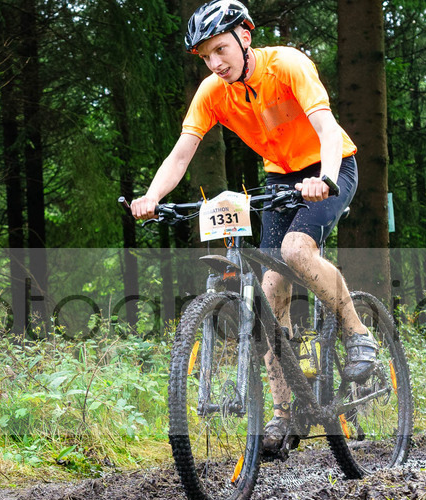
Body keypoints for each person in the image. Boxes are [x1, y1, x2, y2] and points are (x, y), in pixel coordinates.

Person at [130, 0, 377, 455]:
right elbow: (182, 152)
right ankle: (285, 414)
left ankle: (358, 333)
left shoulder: (288, 65)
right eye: (206, 56)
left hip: (331, 166)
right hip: (280, 178)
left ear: (245, 36)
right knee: (269, 288)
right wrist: (152, 196)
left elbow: (325, 127)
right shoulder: (212, 92)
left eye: (221, 49)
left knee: (299, 251)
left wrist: (323, 178)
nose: (216, 63)